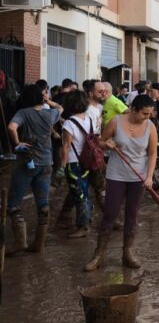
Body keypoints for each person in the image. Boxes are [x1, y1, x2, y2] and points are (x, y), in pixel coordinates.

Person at [84, 94, 158, 271]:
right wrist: (106, 144)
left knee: (132, 214)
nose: (147, 117)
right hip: (116, 175)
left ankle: (128, 253)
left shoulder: (150, 127)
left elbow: (152, 153)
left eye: (149, 114)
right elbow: (100, 142)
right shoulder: (116, 122)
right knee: (110, 214)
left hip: (138, 177)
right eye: (144, 113)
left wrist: (149, 177)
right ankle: (98, 255)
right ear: (133, 110)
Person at [6, 84, 61, 255]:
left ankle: (20, 242)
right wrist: (48, 100)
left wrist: (17, 143)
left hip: (27, 163)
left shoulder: (23, 113)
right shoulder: (50, 114)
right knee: (43, 203)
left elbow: (11, 127)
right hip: (46, 163)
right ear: (40, 98)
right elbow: (60, 107)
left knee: (14, 203)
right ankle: (39, 244)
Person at [59, 91, 93, 238]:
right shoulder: (89, 119)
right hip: (87, 162)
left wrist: (61, 167)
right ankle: (83, 220)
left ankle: (83, 226)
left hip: (73, 163)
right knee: (82, 191)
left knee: (79, 194)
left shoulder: (69, 123)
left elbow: (66, 147)